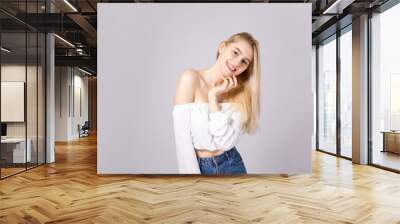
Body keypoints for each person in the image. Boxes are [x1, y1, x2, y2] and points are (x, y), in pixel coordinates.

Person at [172, 32, 261, 174]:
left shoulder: (241, 94)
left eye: (244, 61)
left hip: (232, 165)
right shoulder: (190, 79)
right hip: (201, 167)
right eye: (235, 52)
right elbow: (183, 142)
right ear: (222, 47)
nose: (237, 63)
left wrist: (213, 98)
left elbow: (226, 143)